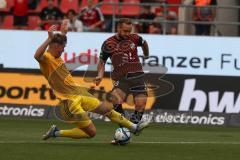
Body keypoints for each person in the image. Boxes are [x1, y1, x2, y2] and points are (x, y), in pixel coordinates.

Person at [34, 20, 148, 141]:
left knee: (106, 109)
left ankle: (134, 127)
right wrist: (49, 38)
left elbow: (58, 42)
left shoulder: (56, 55)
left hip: (79, 93)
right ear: (54, 46)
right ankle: (57, 132)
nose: (63, 51)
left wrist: (63, 33)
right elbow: (37, 56)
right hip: (68, 102)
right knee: (91, 133)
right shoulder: (46, 58)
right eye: (62, 48)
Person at [95, 18, 149, 144]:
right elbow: (102, 62)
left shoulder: (135, 38)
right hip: (121, 77)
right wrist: (99, 74)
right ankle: (126, 129)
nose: (127, 34)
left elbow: (144, 43)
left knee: (141, 104)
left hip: (137, 75)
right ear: (118, 28)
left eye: (129, 31)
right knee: (115, 100)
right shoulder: (109, 43)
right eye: (125, 31)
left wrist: (146, 54)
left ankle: (128, 131)